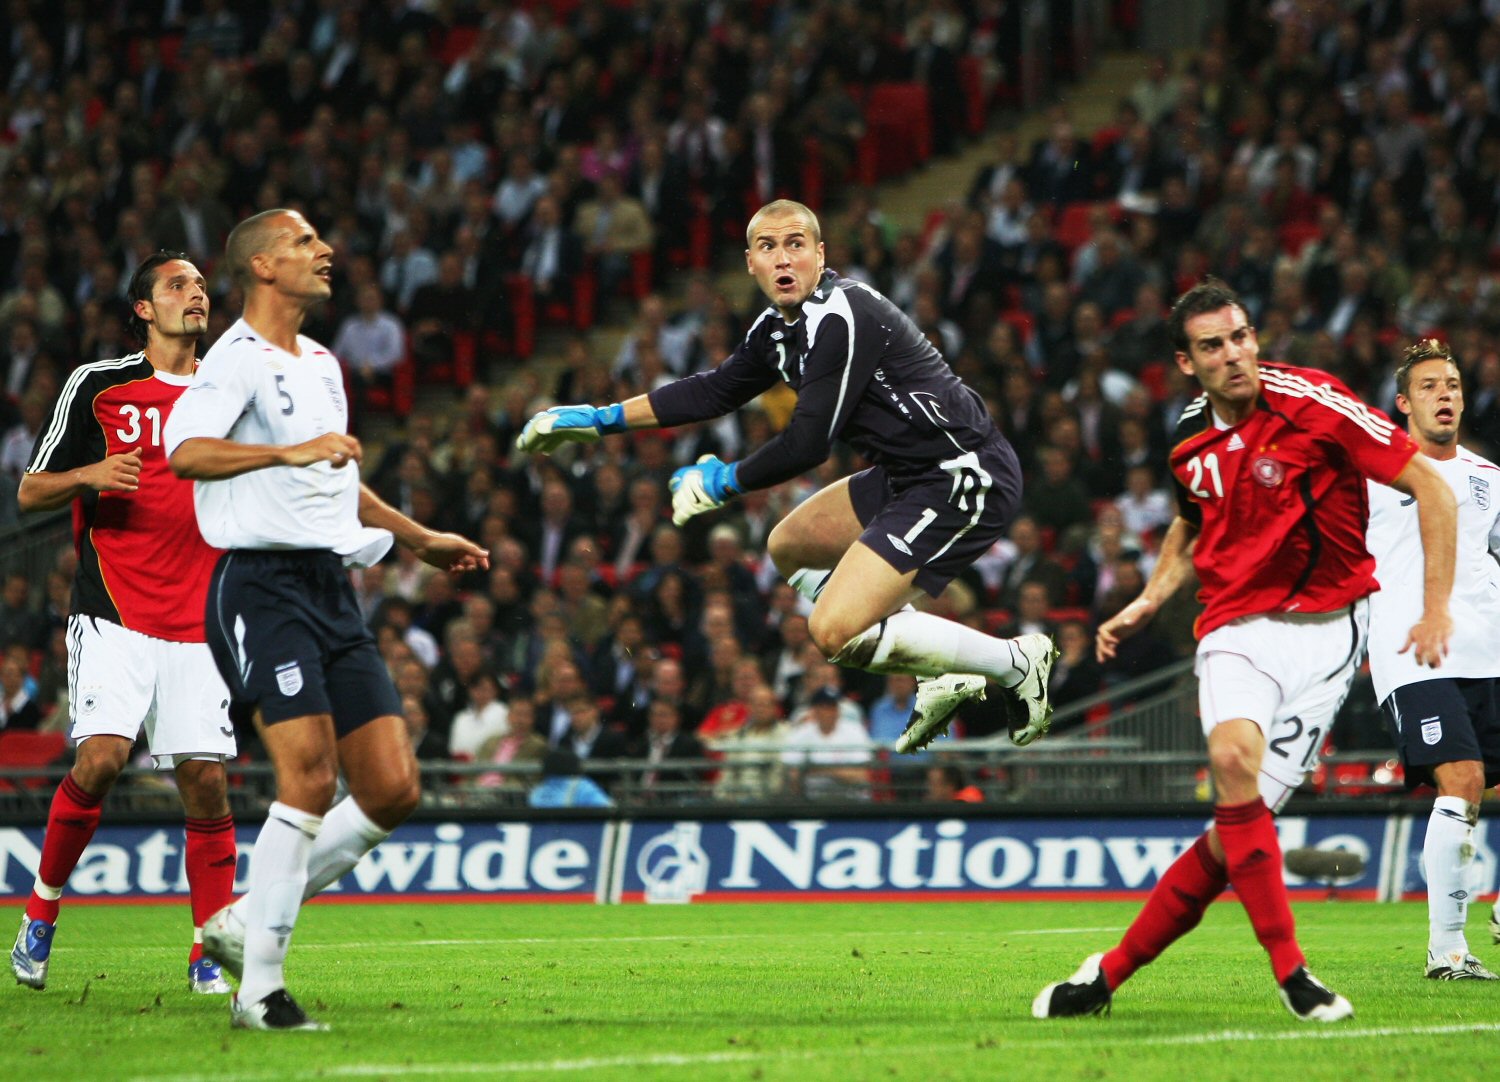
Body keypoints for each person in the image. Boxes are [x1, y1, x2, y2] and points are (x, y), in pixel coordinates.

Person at [1033, 278, 1457, 1023]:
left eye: (1241, 336)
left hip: (1330, 634)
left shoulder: (1316, 403)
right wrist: (1146, 600)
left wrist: (1434, 610)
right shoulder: (1191, 438)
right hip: (1235, 625)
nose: (1234, 355)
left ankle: (1105, 976)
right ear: (1186, 362)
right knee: (1230, 762)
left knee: (1234, 836)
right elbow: (1190, 525)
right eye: (1212, 346)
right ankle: (1294, 975)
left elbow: (1431, 484)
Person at [515, 199, 1056, 753]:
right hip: (905, 475)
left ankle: (1016, 663)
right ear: (750, 262)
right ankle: (939, 669)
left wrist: (723, 482)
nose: (783, 259)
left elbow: (808, 443)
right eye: (768, 247)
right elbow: (714, 389)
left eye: (796, 244)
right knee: (790, 546)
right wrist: (599, 420)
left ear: (820, 256)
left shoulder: (841, 316)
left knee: (831, 631)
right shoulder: (776, 327)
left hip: (961, 477)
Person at [162, 209, 488, 1031]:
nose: (325, 250)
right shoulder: (235, 358)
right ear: (263, 267)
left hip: (331, 587)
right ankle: (259, 992)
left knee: (392, 786)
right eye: (306, 242)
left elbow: (338, 479)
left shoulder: (323, 364)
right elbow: (185, 451)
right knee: (306, 776)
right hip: (260, 585)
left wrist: (419, 539)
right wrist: (283, 452)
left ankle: (242, 920)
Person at [11, 252, 237, 996]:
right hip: (113, 612)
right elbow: (29, 491)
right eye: (178, 285)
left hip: (201, 620)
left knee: (204, 781)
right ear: (143, 308)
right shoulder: (100, 386)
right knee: (102, 759)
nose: (195, 294)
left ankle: (208, 948)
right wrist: (90, 476)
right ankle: (41, 911)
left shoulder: (229, 389)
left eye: (202, 285)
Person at [1364, 339, 1500, 981]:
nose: (1443, 395)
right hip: (1414, 652)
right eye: (1428, 386)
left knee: (1481, 782)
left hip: (1488, 653)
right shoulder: (1374, 475)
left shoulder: (1487, 478)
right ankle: (1446, 950)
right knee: (1464, 779)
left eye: (1451, 384)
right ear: (1402, 403)